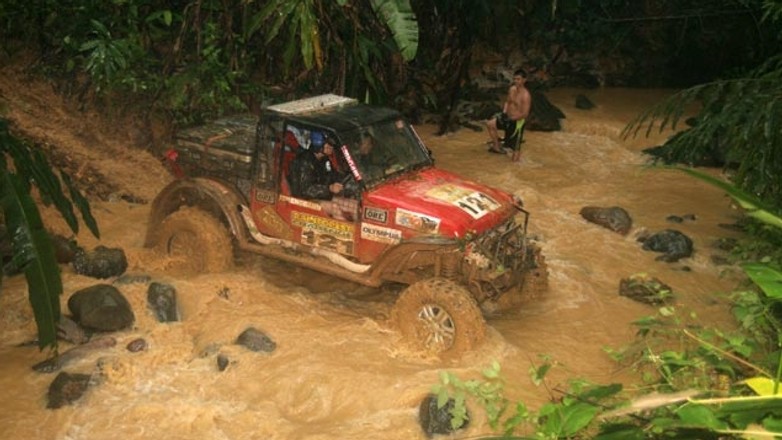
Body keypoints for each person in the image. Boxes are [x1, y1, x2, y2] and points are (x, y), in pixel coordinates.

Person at [486, 68, 531, 162]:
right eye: (514, 79)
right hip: (506, 117)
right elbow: (507, 102)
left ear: (524, 80)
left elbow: (525, 114)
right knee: (490, 124)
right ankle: (497, 147)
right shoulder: (512, 89)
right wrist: (504, 111)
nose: (516, 81)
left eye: (518, 79)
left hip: (517, 122)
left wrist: (513, 119)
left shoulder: (526, 96)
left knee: (515, 148)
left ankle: (514, 167)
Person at [288, 131, 344, 201]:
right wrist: (329, 188)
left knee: (351, 205)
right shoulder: (305, 161)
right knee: (336, 209)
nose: (332, 147)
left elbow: (332, 175)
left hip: (320, 195)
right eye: (329, 144)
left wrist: (342, 180)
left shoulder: (325, 160)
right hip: (302, 199)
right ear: (319, 144)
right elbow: (305, 190)